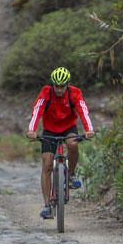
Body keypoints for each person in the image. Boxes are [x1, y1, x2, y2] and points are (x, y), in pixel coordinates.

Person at [25, 67, 95, 219]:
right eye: (56, 86)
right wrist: (32, 129)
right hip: (50, 130)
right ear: (52, 85)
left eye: (62, 86)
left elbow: (83, 110)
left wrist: (89, 129)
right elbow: (37, 110)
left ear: (67, 85)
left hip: (68, 127)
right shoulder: (46, 92)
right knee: (47, 164)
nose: (59, 89)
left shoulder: (75, 93)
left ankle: (71, 175)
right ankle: (47, 205)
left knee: (73, 144)